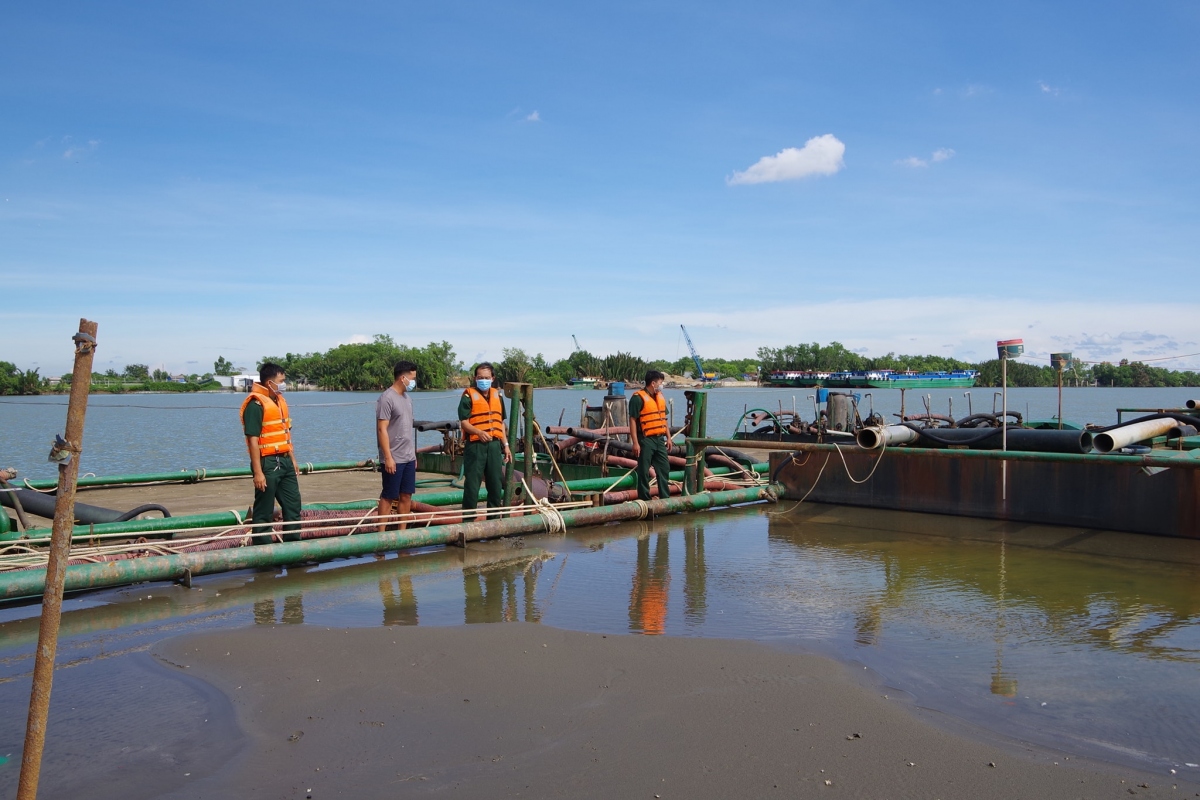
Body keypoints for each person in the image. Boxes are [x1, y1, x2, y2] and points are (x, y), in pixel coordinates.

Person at [240, 362, 301, 545]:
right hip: (267, 462)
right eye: (281, 381)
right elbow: (252, 440)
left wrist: (292, 459)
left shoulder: (280, 401)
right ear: (269, 382)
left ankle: (293, 548)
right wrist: (258, 472)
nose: (284, 384)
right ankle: (263, 551)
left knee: (293, 505)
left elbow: (285, 434)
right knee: (264, 509)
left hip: (285, 460)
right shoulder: (256, 404)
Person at [459, 362, 511, 518]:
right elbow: (463, 422)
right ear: (475, 378)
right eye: (480, 377)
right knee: (472, 486)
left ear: (493, 378)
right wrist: (478, 432)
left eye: (487, 378)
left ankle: (493, 521)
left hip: (495, 446)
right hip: (475, 446)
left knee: (495, 485)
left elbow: (500, 422)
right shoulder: (468, 396)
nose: (483, 380)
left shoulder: (497, 396)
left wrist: (506, 445)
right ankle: (468, 522)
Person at [376, 360, 418, 531]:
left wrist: (413, 455)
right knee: (388, 496)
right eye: (413, 378)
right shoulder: (387, 398)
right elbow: (382, 429)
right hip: (393, 457)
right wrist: (388, 457)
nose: (414, 381)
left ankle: (402, 533)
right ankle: (381, 534)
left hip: (408, 456)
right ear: (403, 377)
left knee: (406, 495)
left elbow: (406, 427)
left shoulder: (407, 398)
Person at [629, 370, 671, 502]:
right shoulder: (637, 398)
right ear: (653, 383)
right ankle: (645, 500)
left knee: (664, 468)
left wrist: (668, 437)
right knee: (643, 470)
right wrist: (635, 442)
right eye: (660, 382)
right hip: (646, 439)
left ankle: (665, 499)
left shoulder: (660, 397)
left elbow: (663, 419)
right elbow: (632, 421)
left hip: (660, 438)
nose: (661, 385)